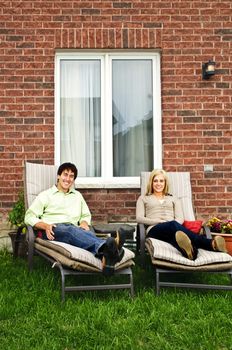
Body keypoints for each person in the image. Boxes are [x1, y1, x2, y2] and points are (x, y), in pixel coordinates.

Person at [24, 162, 125, 276]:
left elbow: (85, 215)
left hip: (76, 229)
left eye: (71, 176)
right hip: (52, 230)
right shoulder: (45, 195)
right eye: (65, 174)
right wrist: (45, 226)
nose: (68, 179)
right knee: (71, 231)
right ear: (58, 176)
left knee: (82, 232)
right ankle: (109, 248)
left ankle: (106, 258)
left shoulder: (77, 196)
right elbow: (29, 217)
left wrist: (84, 222)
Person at [136, 169, 227, 260]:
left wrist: (171, 224)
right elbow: (139, 218)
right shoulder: (143, 198)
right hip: (154, 229)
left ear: (165, 183)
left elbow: (180, 218)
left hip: (173, 228)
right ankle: (210, 244)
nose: (158, 184)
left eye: (161, 181)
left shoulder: (174, 198)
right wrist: (159, 221)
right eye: (155, 181)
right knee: (173, 225)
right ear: (151, 182)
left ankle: (191, 253)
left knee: (175, 237)